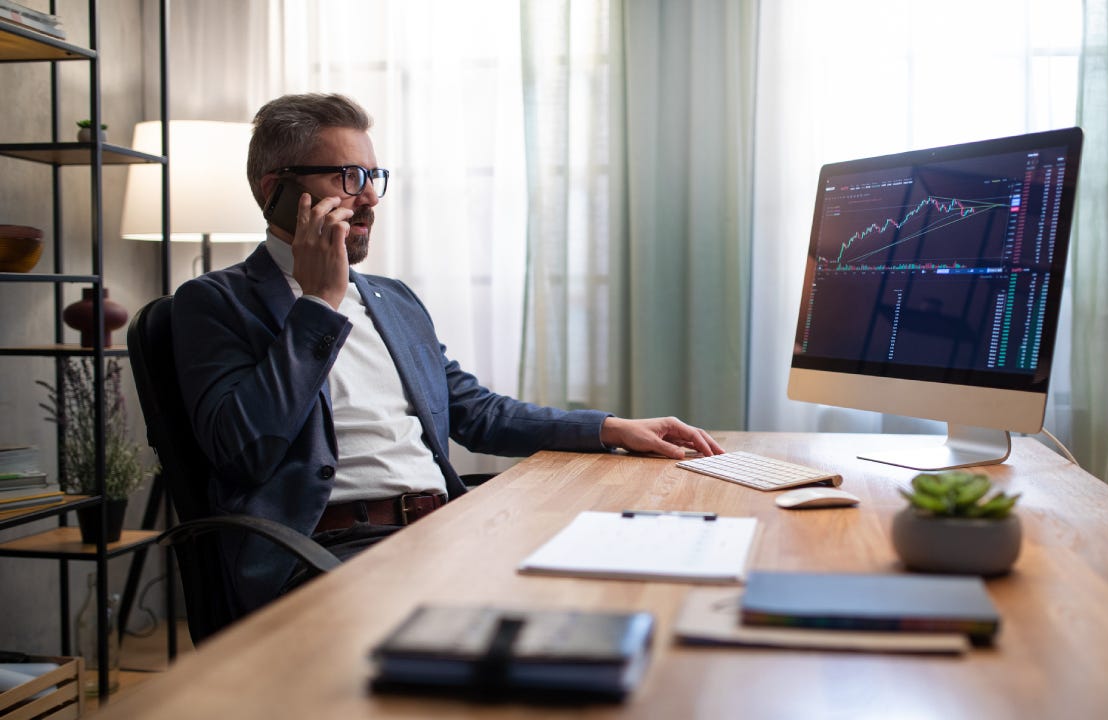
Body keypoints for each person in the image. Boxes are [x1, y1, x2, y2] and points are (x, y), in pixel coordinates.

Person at [171, 93, 723, 616]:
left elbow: (476, 413)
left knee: (639, 578)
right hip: (328, 553)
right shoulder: (213, 303)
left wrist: (610, 428)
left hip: (445, 529)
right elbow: (246, 451)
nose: (368, 197)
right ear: (276, 190)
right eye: (348, 176)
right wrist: (318, 304)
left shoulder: (393, 299)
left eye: (373, 176)